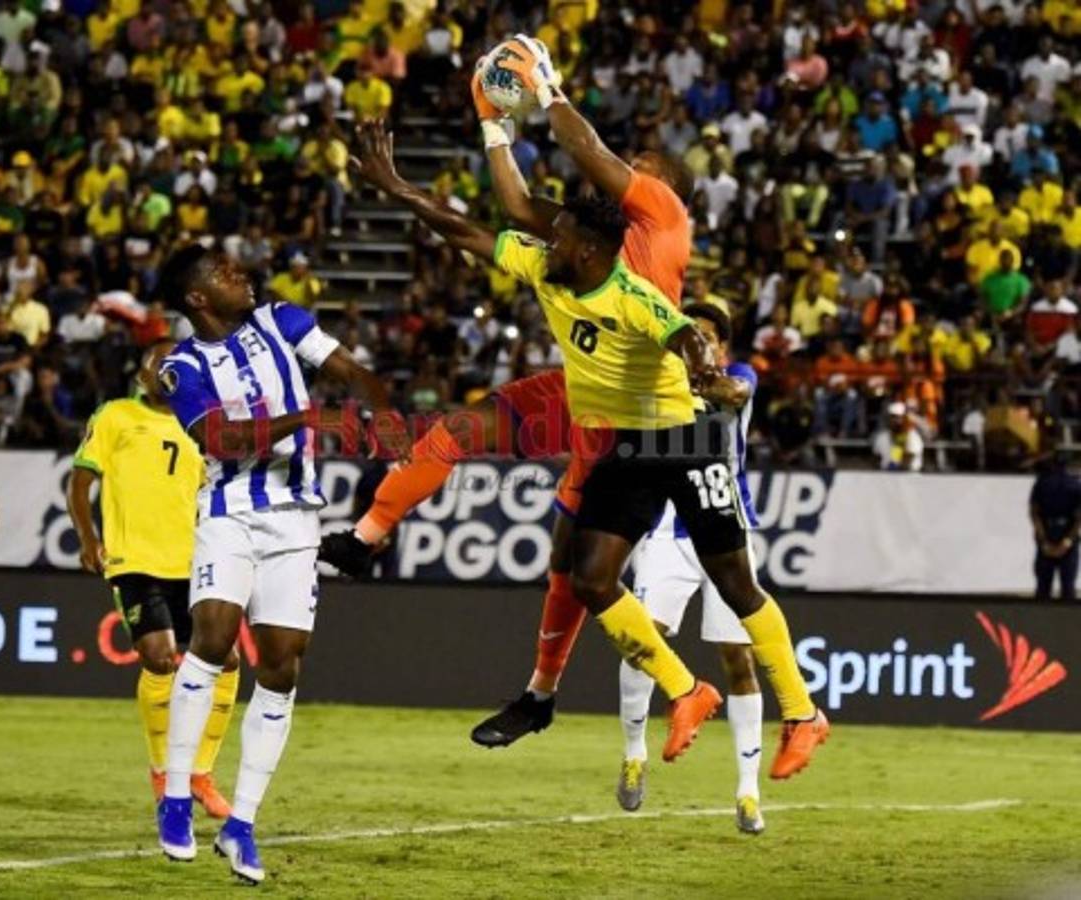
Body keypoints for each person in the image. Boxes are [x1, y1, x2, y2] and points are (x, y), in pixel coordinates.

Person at [351, 116, 828, 782]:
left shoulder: (650, 243)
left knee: (731, 580)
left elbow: (680, 332)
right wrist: (405, 181)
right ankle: (683, 690)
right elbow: (487, 221)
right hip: (619, 433)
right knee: (587, 575)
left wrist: (706, 372)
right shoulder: (565, 259)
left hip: (684, 431)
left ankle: (802, 713)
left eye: (642, 168)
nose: (628, 174)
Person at [322, 35, 696, 751]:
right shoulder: (587, 238)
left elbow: (587, 154)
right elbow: (514, 203)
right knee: (459, 430)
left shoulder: (664, 220)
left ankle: (544, 693)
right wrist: (490, 119)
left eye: (634, 169)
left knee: (570, 567)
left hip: (632, 409)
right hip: (578, 384)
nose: (618, 172)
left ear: (660, 186)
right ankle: (365, 538)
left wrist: (546, 88)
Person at [152, 245, 408, 883]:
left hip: (296, 517)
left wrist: (385, 414)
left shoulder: (281, 320)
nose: (240, 273)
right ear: (197, 298)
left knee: (284, 665)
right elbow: (220, 440)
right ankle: (176, 797)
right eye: (223, 271)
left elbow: (348, 369)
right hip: (228, 512)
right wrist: (311, 418)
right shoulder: (180, 366)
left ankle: (241, 826)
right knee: (210, 639)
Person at [66, 341, 238, 815]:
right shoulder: (116, 415)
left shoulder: (201, 428)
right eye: (156, 363)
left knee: (227, 660)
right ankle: (164, 772)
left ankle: (200, 772)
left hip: (194, 561)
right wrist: (88, 538)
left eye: (175, 365)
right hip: (135, 561)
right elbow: (81, 481)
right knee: (161, 659)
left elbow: (214, 491)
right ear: (142, 375)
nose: (165, 372)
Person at [618, 303, 767, 835]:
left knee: (738, 658)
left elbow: (735, 394)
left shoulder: (739, 377)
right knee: (642, 640)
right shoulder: (659, 382)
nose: (695, 347)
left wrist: (693, 381)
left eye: (704, 338)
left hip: (728, 530)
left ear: (721, 347)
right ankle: (634, 754)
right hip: (667, 531)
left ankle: (748, 793)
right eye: (688, 338)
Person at [1029, 454, 1081, 601]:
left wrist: (1043, 540)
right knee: (1068, 588)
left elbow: (1034, 513)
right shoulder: (1075, 485)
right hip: (1067, 537)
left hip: (1047, 535)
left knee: (1043, 587)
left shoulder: (1041, 483)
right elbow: (1079, 518)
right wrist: (1068, 540)